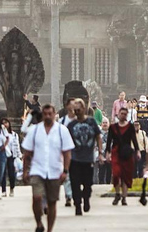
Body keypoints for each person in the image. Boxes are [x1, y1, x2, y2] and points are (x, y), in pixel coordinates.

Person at [22, 104, 75, 232]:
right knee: (37, 198)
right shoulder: (34, 130)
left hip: (55, 171)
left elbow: (67, 153)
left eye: (50, 114)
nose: (47, 116)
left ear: (54, 114)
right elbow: (27, 153)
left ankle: (49, 229)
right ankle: (39, 222)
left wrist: (65, 171)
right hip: (37, 170)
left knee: (52, 202)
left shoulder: (62, 131)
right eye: (45, 114)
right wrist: (25, 171)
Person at [67, 98, 103, 216]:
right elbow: (67, 141)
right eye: (75, 110)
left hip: (88, 158)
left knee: (88, 183)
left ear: (84, 109)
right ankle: (77, 204)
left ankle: (86, 198)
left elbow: (98, 136)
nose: (76, 112)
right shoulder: (71, 125)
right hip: (74, 158)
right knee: (75, 183)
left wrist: (100, 152)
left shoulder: (91, 122)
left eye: (78, 109)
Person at [107, 106, 140, 206]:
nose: (123, 115)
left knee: (125, 175)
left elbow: (134, 140)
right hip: (116, 152)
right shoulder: (112, 127)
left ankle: (124, 197)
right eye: (121, 113)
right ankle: (117, 193)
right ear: (118, 114)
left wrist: (137, 151)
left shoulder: (130, 127)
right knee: (116, 173)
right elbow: (109, 141)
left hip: (127, 153)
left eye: (125, 114)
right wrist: (107, 153)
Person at [58, 98, 77, 207]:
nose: (74, 106)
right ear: (67, 106)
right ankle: (68, 196)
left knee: (77, 175)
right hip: (66, 151)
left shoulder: (80, 119)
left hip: (77, 151)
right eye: (72, 104)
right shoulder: (62, 121)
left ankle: (76, 194)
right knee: (67, 174)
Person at [2, 118, 21, 198]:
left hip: (11, 155)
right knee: (2, 173)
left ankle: (12, 188)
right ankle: (3, 190)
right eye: (3, 123)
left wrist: (19, 155)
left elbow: (17, 145)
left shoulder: (14, 134)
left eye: (6, 123)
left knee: (11, 173)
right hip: (2, 155)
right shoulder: (0, 134)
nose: (5, 125)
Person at [98, 118, 112, 185]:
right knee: (101, 172)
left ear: (109, 124)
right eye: (103, 123)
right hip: (101, 155)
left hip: (109, 155)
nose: (105, 124)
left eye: (106, 123)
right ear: (101, 124)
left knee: (109, 172)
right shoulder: (98, 133)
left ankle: (108, 185)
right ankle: (101, 185)